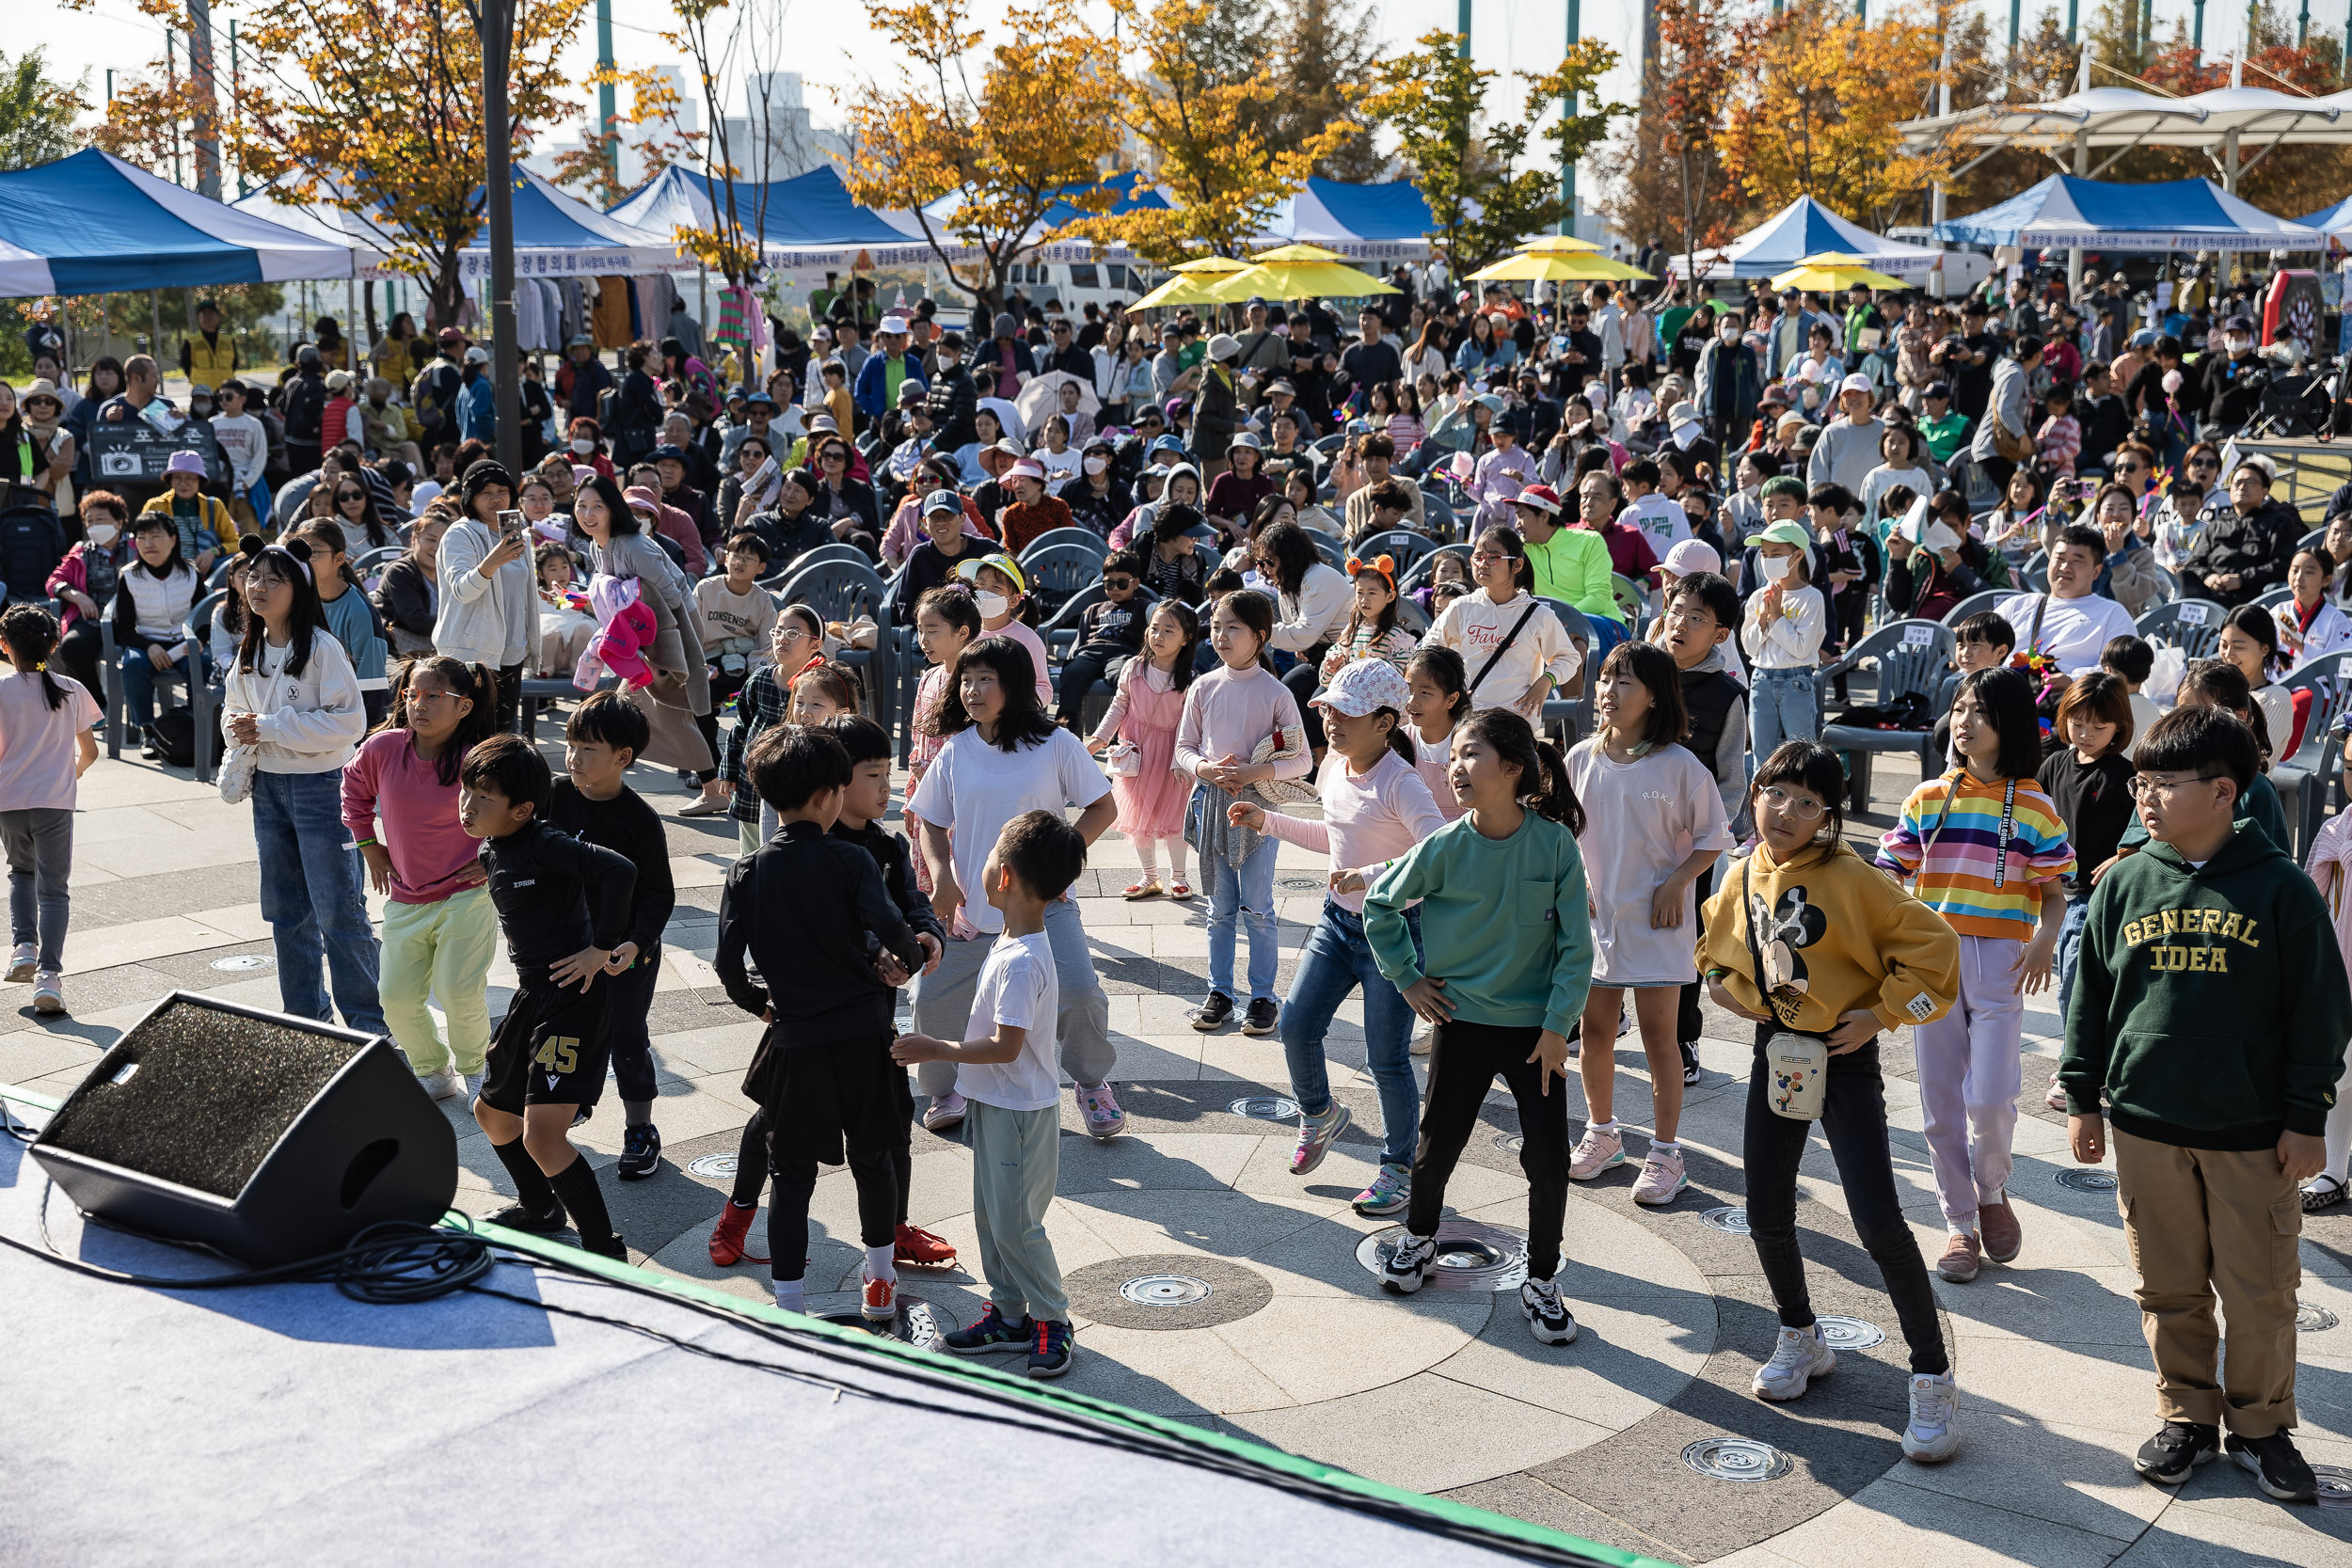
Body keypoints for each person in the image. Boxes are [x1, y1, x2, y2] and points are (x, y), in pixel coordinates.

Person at [2061, 706, 2348, 1503]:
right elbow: (2091, 999)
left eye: (2161, 783)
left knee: (2260, 1290)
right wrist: (2084, 1096)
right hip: (2147, 1125)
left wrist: (2306, 1116)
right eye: (2139, 781)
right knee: (2168, 1285)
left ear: (2224, 791)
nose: (2143, 796)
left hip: (2252, 1132)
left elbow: (2321, 1011)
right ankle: (2186, 1412)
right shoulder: (2124, 880)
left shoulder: (2282, 888)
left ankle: (2262, 1425)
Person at [1698, 741, 1965, 1461]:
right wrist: (1725, 986)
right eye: (1773, 792)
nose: (1784, 810)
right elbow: (1718, 944)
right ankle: (1799, 1333)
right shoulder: (1745, 865)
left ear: (1829, 816)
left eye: (1806, 801)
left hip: (1844, 1062)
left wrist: (1881, 1013)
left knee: (1878, 1219)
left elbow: (1937, 952)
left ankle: (1932, 1372)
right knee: (1765, 1208)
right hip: (1776, 1053)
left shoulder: (1856, 878)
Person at [1363, 709, 1591, 1347]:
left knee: (1548, 1160)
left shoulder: (1554, 846)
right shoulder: (1444, 845)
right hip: (1460, 1023)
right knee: (1436, 1147)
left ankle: (1543, 1278)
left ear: (1513, 768)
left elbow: (1577, 948)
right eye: (1454, 756)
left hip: (1535, 1034)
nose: (1454, 767)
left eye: (1471, 755)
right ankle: (1418, 1239)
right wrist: (1407, 976)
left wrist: (1556, 1028)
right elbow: (1380, 904)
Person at [1877, 668, 2074, 1283]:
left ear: (2009, 725)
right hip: (1932, 962)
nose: (1964, 721)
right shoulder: (1927, 798)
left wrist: (2045, 936)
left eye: (1979, 712)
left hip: (2002, 963)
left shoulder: (2037, 805)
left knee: (1990, 1097)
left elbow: (2055, 893)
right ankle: (1959, 1222)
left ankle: (1991, 1188)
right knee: (1939, 1104)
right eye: (1960, 708)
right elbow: (1888, 871)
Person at [1241, 659, 1448, 1218]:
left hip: (1393, 931)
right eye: (1329, 709)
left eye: (1346, 714)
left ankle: (1399, 1168)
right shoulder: (1334, 765)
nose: (1331, 721)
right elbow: (1332, 834)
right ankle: (1318, 1114)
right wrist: (1269, 822)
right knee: (1296, 1023)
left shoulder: (1401, 781)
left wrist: (1373, 876)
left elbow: (1438, 852)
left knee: (1386, 1058)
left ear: (1385, 724)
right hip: (1337, 923)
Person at [893, 810, 1089, 1378]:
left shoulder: (1024, 961)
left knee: (1015, 1224)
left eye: (986, 857)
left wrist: (939, 1049)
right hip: (998, 1105)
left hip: (1021, 1114)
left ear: (1002, 878)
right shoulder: (1010, 941)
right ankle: (1009, 1313)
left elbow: (1006, 1046)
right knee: (991, 1217)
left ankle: (1052, 1317)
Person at [906, 637, 1123, 1138]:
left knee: (1081, 993)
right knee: (933, 1000)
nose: (972, 690)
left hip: (1046, 910)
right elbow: (930, 822)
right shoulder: (957, 749)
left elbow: (1103, 807)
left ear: (1016, 685)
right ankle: (946, 1088)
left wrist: (1060, 864)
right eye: (965, 679)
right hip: (971, 910)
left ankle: (1092, 1084)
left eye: (986, 679)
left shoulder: (1057, 744)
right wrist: (943, 880)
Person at [1565, 641, 1734, 1204]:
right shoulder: (1580, 758)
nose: (1609, 691)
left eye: (1626, 682)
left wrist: (1674, 883)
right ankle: (1602, 1132)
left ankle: (1665, 1153)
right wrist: (1576, 886)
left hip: (1658, 922)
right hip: (1595, 919)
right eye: (1607, 678)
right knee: (1594, 1031)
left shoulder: (1680, 766)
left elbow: (1714, 839)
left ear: (1656, 695)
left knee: (1662, 1036)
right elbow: (1562, 832)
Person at [459, 734, 634, 1259]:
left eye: (485, 798)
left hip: (573, 999)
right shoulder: (498, 847)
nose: (469, 805)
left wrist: (600, 949)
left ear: (523, 809)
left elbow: (619, 871)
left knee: (543, 1136)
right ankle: (539, 1209)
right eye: (466, 791)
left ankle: (605, 1250)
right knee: (491, 1114)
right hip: (533, 994)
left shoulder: (544, 841)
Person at [224, 537, 382, 1036]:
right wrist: (241, 727)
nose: (259, 587)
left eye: (274, 580)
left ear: (300, 589)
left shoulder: (322, 647)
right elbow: (232, 709)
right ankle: (304, 1025)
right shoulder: (248, 646)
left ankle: (368, 1029)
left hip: (321, 787)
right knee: (285, 912)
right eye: (253, 578)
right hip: (269, 788)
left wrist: (269, 726)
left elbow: (350, 722)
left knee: (339, 912)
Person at [344, 656, 501, 1099]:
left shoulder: (479, 758)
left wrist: (493, 857)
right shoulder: (382, 748)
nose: (419, 705)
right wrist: (368, 845)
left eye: (434, 696)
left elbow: (521, 812)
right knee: (394, 998)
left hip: (467, 895)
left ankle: (477, 1072)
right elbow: (353, 792)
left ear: (464, 707)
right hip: (406, 897)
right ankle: (432, 1069)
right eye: (412, 695)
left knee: (458, 991)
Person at [547, 692, 677, 1181]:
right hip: (567, 946)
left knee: (626, 1034)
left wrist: (636, 942)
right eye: (571, 745)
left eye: (587, 749)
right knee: (564, 1028)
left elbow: (658, 895)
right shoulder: (555, 797)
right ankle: (569, 1102)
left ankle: (640, 1128)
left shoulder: (640, 819)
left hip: (625, 952)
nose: (573, 758)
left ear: (622, 758)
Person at [1175, 592, 1309, 1038]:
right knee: (1219, 908)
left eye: (1233, 628)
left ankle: (1263, 997)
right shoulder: (1203, 686)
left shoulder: (1277, 692)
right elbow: (1184, 748)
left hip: (1258, 810)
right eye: (1217, 626)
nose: (1222, 636)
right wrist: (1204, 768)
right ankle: (1220, 993)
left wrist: (1256, 770)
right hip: (1213, 803)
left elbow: (1302, 760)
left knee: (1259, 906)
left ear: (1260, 636)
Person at [2032, 672, 2138, 1112]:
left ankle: (2077, 1065)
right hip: (2059, 888)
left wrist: (2126, 853)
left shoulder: (2126, 775)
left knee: (2075, 978)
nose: (2087, 733)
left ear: (2119, 727)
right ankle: (2091, 1061)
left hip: (2099, 892)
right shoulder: (2053, 764)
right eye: (2078, 721)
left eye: (2099, 725)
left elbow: (2148, 825)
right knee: (2071, 974)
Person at [576, 475, 714, 780]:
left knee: (676, 713)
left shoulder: (632, 546)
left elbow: (673, 595)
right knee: (635, 705)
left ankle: (713, 787)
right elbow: (612, 594)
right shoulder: (598, 544)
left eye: (597, 506)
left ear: (612, 508)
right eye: (581, 505)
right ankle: (618, 769)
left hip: (676, 630)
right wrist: (566, 599)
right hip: (646, 634)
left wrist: (680, 654)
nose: (588, 514)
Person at [0, 606, 100, 1014]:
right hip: (55, 804)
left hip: (9, 802)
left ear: (4, 646)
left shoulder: (2, 692)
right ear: (55, 643)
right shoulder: (71, 689)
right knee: (54, 889)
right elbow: (89, 752)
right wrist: (70, 772)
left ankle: (23, 946)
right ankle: (49, 977)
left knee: (20, 872)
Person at [1426, 527, 1581, 719]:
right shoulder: (1461, 607)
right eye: (1478, 557)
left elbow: (1568, 657)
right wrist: (1449, 685)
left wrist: (1546, 681)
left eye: (1493, 557)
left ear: (1517, 565)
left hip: (1517, 717)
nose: (1483, 564)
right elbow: (1430, 648)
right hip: (1467, 716)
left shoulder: (1538, 615)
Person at [433, 462, 533, 730]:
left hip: (510, 651)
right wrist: (492, 562)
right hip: (471, 654)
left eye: (502, 490)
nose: (496, 498)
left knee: (503, 734)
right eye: (486, 492)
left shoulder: (517, 534)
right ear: (471, 498)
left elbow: (514, 589)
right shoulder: (460, 534)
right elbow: (462, 591)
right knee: (471, 736)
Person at [1994, 524, 2139, 677]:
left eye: (2077, 561)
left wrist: (2073, 681)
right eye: (2059, 558)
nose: (2065, 567)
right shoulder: (2017, 606)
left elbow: (2122, 669)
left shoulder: (2113, 614)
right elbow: (1978, 646)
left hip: (2075, 698)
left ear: (2096, 571)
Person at [114, 509, 203, 753]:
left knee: (204, 666)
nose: (147, 544)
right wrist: (148, 646)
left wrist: (195, 642)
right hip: (147, 642)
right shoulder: (129, 576)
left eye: (155, 536)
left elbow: (203, 620)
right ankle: (148, 730)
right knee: (132, 665)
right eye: (140, 538)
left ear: (173, 539)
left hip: (184, 643)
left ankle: (198, 725)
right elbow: (123, 628)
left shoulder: (191, 574)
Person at [1741, 518, 1829, 759]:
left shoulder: (1811, 598)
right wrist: (1764, 617)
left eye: (1776, 553)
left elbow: (1801, 649)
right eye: (1765, 553)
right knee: (1762, 755)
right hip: (1761, 679)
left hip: (1796, 680)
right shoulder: (1759, 596)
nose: (1769, 559)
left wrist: (1777, 615)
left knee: (1800, 755)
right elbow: (1749, 647)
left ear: (1797, 555)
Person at [292, 519, 391, 728]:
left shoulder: (358, 611)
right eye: (299, 551)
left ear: (338, 559)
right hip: (306, 717)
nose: (304, 560)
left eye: (314, 552)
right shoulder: (296, 601)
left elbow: (371, 688)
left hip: (344, 727)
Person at [2182, 454, 2299, 610]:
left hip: (2252, 598)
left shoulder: (2279, 522)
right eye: (2237, 483)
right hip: (2211, 595)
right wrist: (2209, 577)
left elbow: (2283, 564)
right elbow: (2194, 563)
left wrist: (2242, 579)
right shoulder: (2217, 525)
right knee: (2184, 577)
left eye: (2250, 482)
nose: (2242, 487)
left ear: (2265, 491)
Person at [1055, 548, 1150, 728]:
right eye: (1109, 584)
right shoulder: (1094, 609)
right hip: (1091, 652)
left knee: (1123, 676)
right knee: (1072, 674)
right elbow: (1081, 641)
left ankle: (1118, 733)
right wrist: (1071, 659)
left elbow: (1160, 614)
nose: (1115, 588)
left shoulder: (1142, 606)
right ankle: (1066, 728)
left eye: (1122, 583)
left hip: (1122, 653)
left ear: (1136, 583)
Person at [2217, 604, 2296, 760]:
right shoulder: (2214, 688)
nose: (2228, 654)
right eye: (2223, 645)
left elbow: (2260, 762)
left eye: (2239, 647)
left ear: (2265, 649)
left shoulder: (2276, 698)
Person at [2275, 544, 2352, 675]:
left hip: (2317, 689)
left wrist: (2301, 647)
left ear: (2326, 580)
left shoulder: (2337, 621)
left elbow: (2340, 668)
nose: (2299, 578)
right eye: (2295, 570)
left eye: (2309, 572)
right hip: (2278, 684)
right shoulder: (2278, 611)